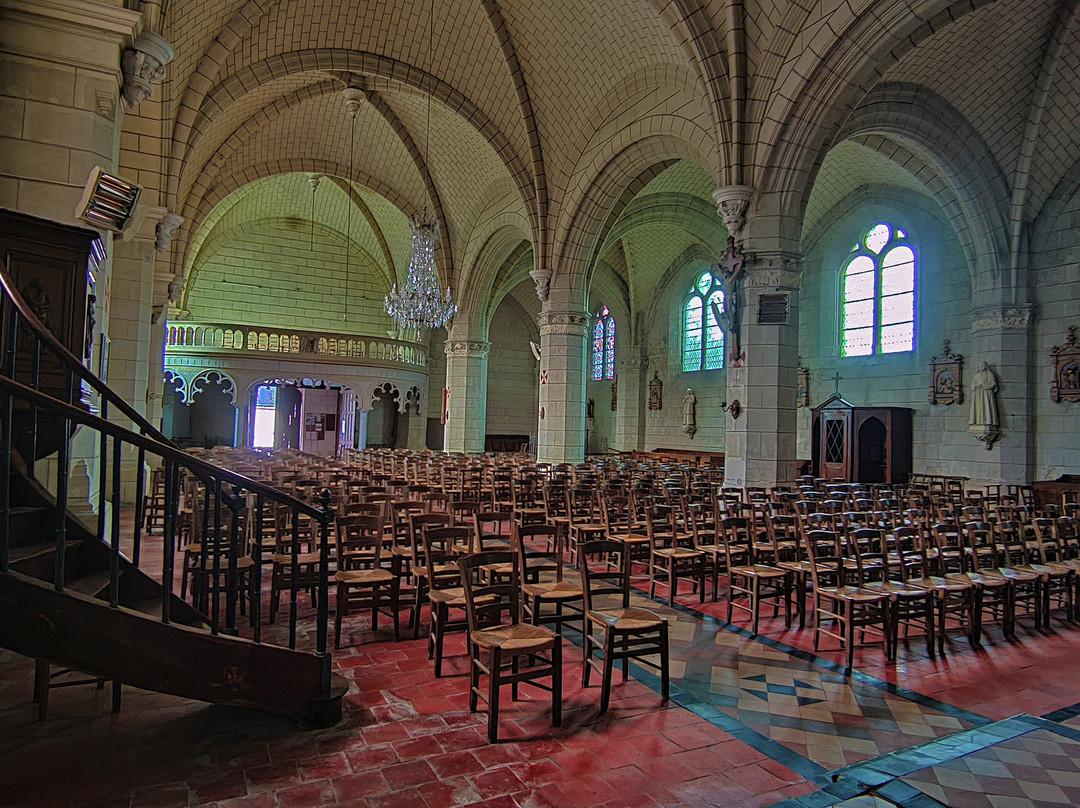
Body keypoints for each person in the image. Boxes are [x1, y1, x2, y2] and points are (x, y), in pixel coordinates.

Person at [969, 360, 998, 431]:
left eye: (982, 365)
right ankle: (978, 421)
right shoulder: (976, 375)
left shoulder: (989, 374)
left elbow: (993, 383)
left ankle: (987, 421)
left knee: (986, 406)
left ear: (985, 366)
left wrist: (983, 385)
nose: (980, 367)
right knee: (978, 407)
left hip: (986, 393)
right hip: (977, 393)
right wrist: (974, 386)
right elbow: (972, 383)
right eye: (979, 366)